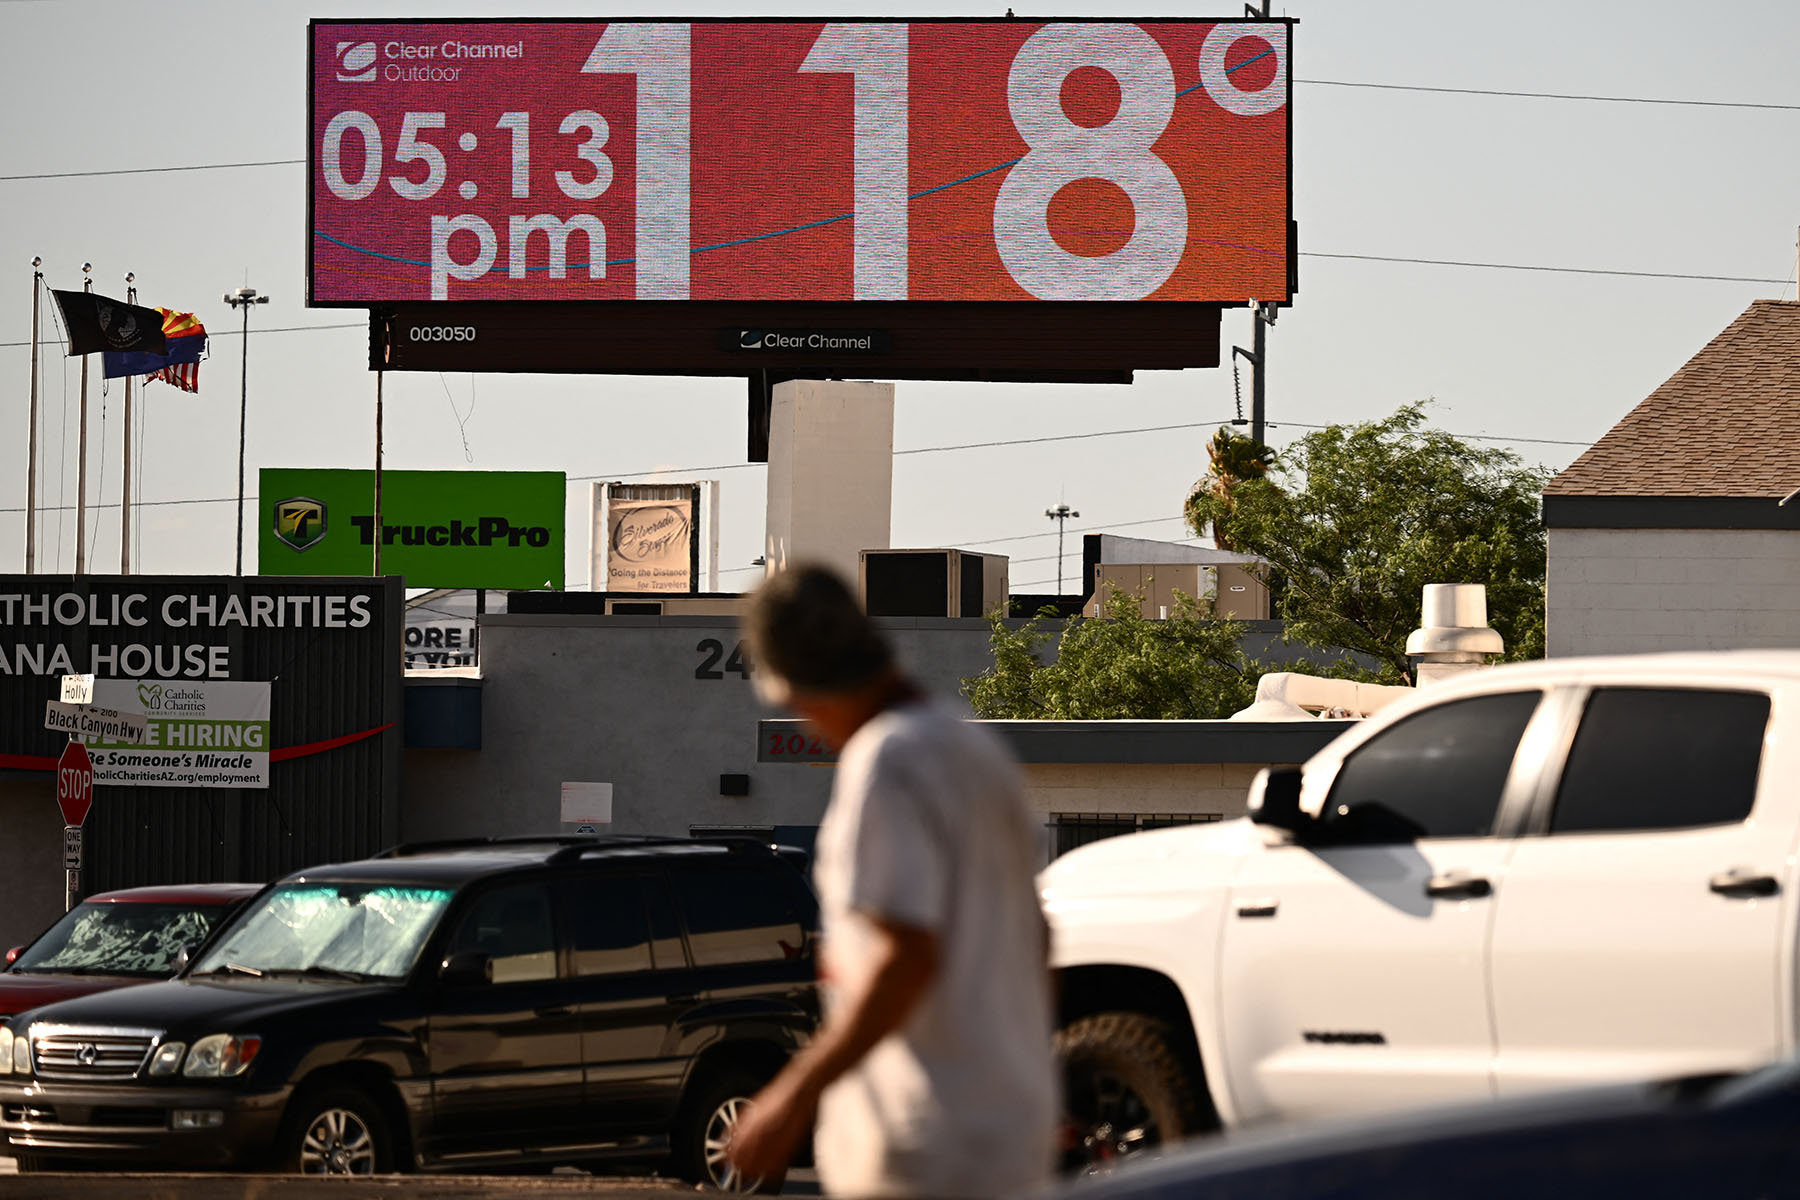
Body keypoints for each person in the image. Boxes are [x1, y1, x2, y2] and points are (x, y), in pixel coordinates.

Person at [727, 563, 1057, 1199]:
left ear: (801, 687)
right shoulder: (973, 748)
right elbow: (1038, 937)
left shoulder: (886, 760)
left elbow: (906, 957)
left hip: (923, 1138)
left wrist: (789, 1096)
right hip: (1010, 1127)